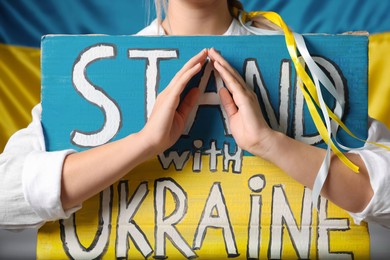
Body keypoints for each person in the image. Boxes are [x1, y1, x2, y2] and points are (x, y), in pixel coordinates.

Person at [0, 0, 389, 230]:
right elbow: (6, 197)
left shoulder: (303, 62)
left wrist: (271, 144)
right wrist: (142, 144)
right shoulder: (99, 68)